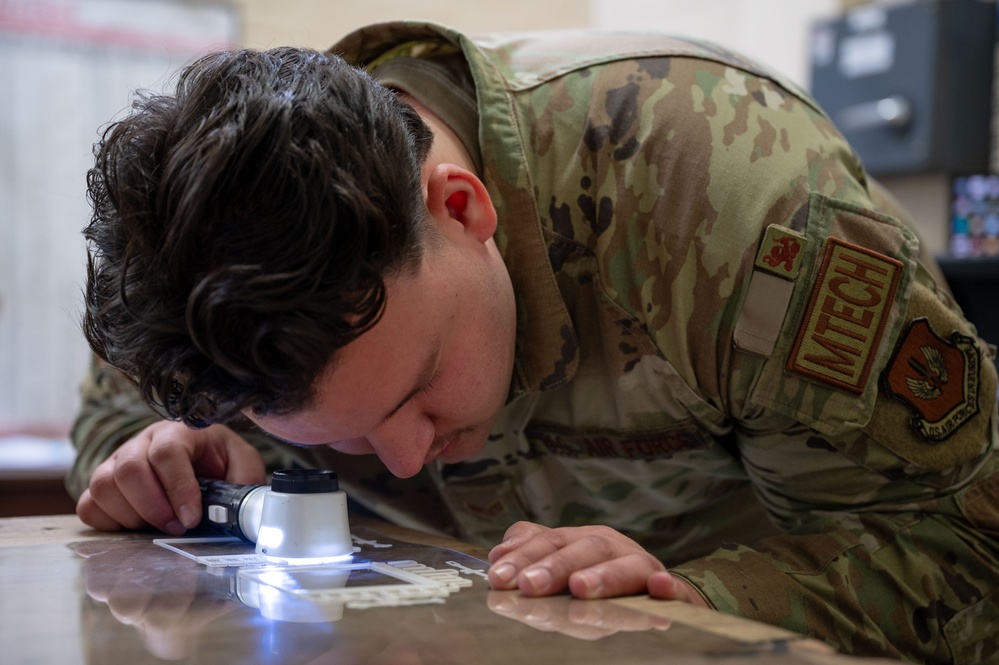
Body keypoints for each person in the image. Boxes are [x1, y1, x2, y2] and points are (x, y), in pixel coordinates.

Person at [68, 20, 999, 663]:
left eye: (419, 384)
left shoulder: (726, 204)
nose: (402, 455)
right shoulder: (212, 247)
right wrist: (154, 464)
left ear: (462, 207)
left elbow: (965, 554)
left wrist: (702, 600)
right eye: (339, 438)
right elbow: (118, 412)